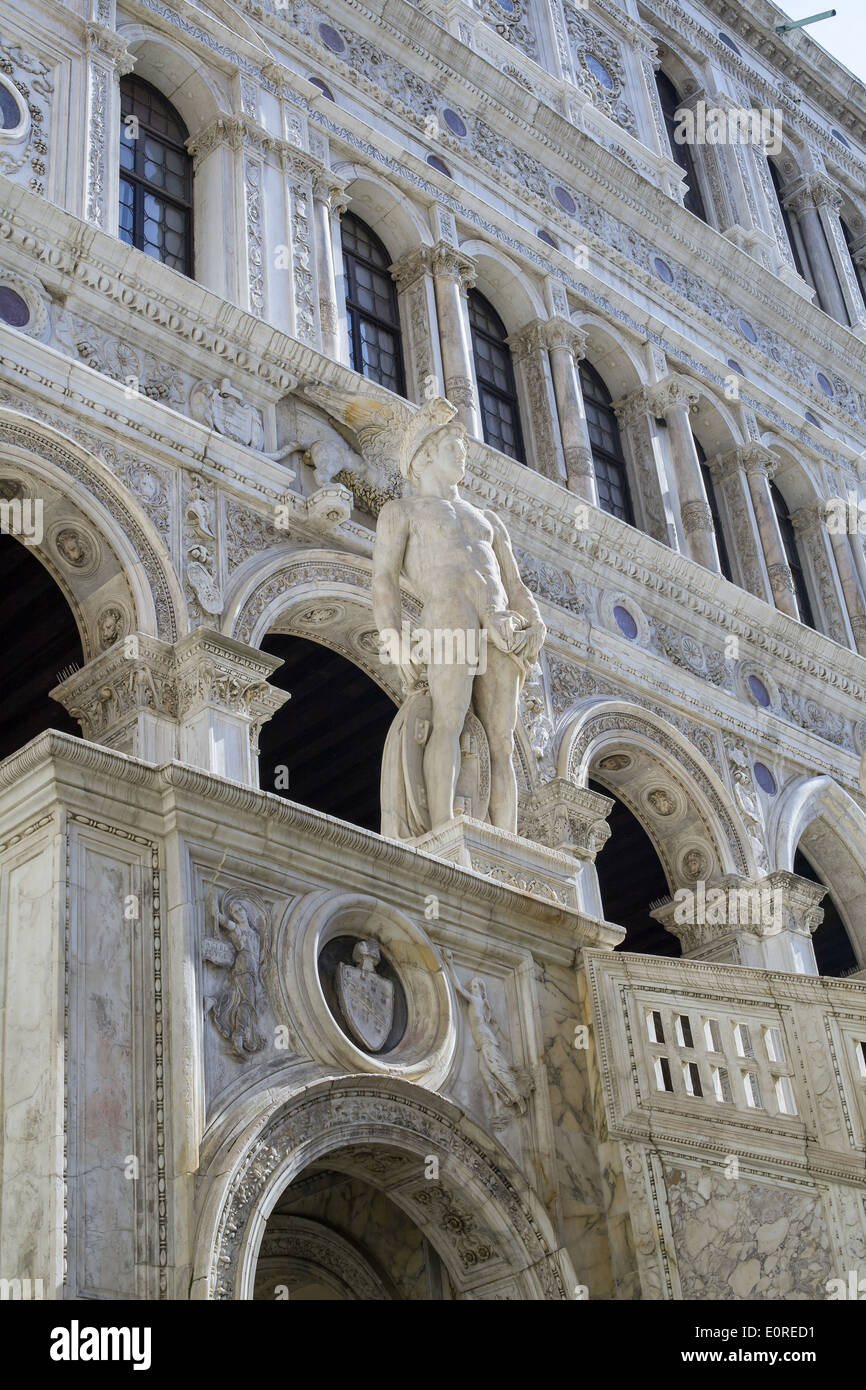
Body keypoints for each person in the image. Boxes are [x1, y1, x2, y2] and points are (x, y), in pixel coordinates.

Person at [372, 397, 545, 833]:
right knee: (449, 718)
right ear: (426, 453)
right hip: (449, 614)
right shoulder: (402, 512)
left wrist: (535, 618)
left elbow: (515, 582)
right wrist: (393, 640)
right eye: (454, 445)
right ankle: (445, 826)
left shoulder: (486, 518)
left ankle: (505, 839)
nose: (463, 453)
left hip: (502, 623)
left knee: (502, 741)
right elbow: (384, 582)